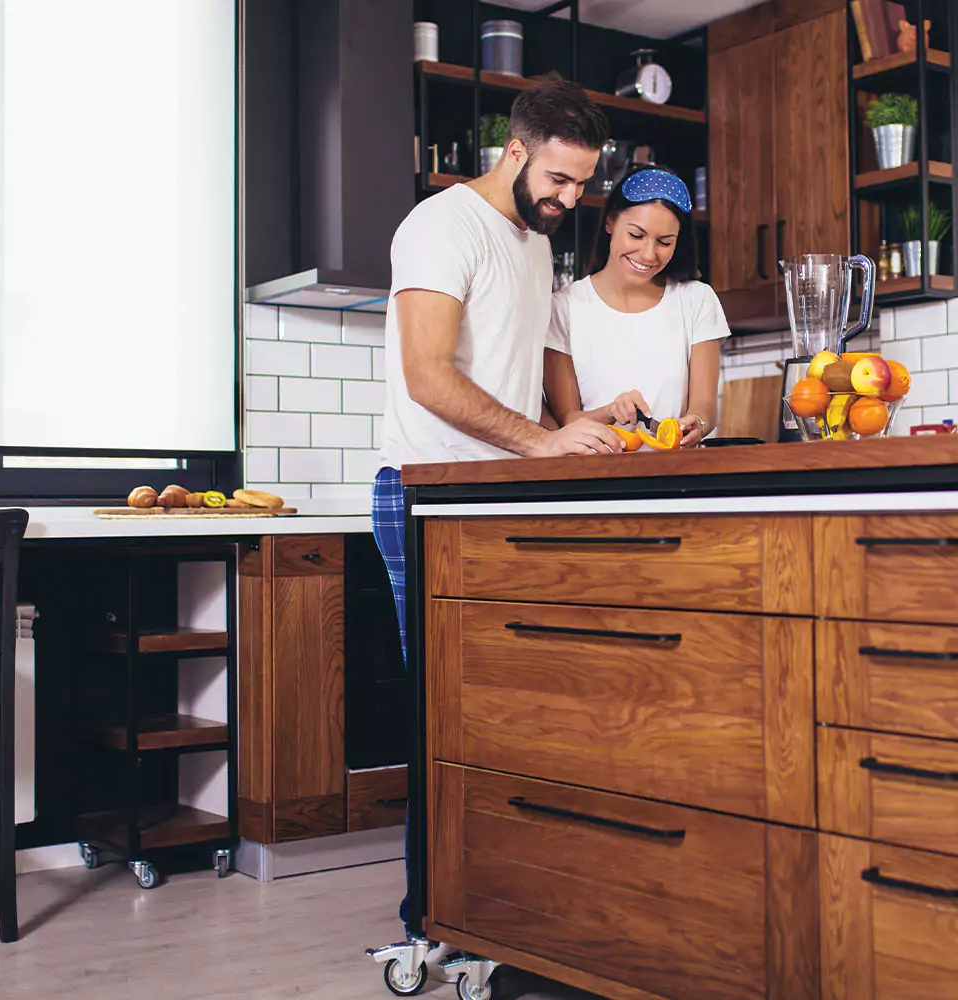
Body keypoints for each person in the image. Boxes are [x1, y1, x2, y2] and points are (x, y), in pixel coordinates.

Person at [369, 79, 612, 940]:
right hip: (428, 496)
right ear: (514, 150)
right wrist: (542, 443)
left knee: (517, 712)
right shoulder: (441, 227)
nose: (569, 199)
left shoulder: (533, 237)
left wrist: (576, 428)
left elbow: (526, 370)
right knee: (448, 713)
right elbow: (428, 375)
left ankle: (504, 907)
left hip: (497, 494)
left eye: (582, 185)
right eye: (558, 179)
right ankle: (427, 917)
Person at [544, 164, 729, 444]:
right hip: (594, 477)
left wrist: (697, 425)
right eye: (636, 235)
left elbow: (704, 410)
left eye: (665, 242)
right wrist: (610, 412)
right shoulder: (564, 308)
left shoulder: (697, 300)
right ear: (610, 223)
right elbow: (566, 422)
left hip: (680, 477)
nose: (648, 254)